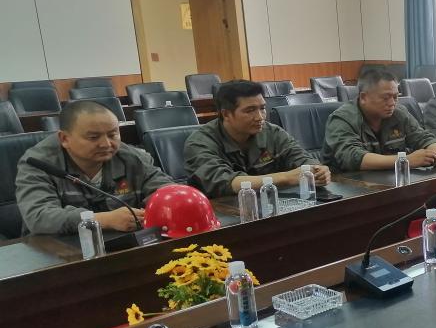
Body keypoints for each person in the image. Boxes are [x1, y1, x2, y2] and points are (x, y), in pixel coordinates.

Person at [16, 100, 174, 235]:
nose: (106, 144)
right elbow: (39, 217)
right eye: (93, 137)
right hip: (57, 249)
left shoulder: (132, 158)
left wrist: (164, 206)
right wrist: (104, 220)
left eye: (112, 134)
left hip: (123, 245)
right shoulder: (38, 163)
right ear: (64, 138)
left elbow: (168, 191)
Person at [184, 80, 330, 198]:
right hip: (222, 213)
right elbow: (225, 182)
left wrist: (317, 171)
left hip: (270, 205)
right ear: (226, 114)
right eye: (250, 110)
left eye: (262, 108)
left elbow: (300, 157)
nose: (260, 117)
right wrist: (286, 178)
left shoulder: (271, 132)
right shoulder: (200, 142)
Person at [323, 69, 436, 171]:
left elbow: (422, 136)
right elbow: (352, 157)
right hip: (348, 185)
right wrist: (405, 160)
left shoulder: (399, 113)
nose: (392, 103)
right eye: (386, 97)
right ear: (364, 97)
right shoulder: (342, 119)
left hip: (389, 181)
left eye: (395, 97)